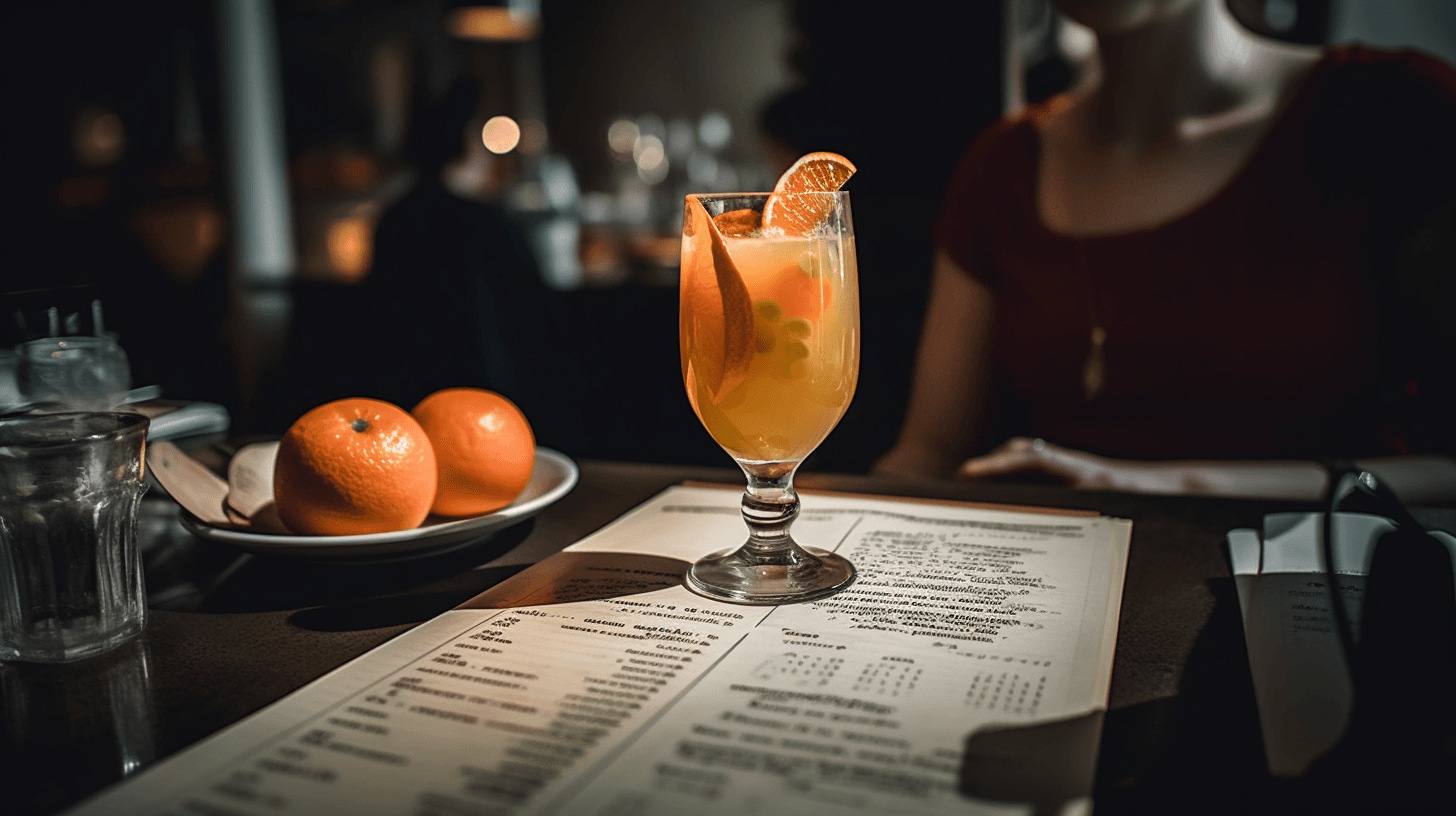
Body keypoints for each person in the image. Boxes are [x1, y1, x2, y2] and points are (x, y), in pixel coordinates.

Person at [873, 0, 1456, 502]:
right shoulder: (1002, 166)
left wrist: (1177, 488)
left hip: (1318, 591)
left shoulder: (1400, 117)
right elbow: (929, 452)